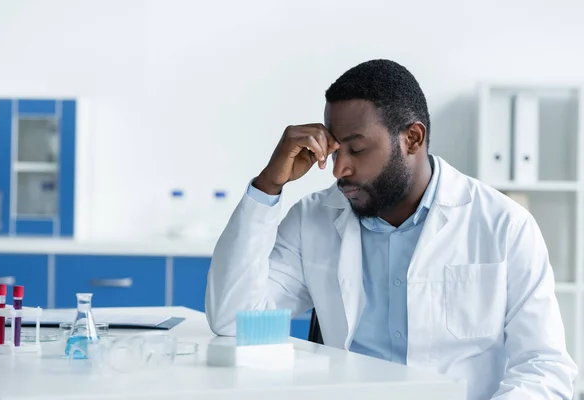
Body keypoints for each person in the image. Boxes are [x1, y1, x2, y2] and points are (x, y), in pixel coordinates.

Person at [205, 59, 577, 399]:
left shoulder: (502, 224)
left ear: (412, 139)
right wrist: (269, 185)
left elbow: (543, 365)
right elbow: (233, 321)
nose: (338, 170)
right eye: (334, 151)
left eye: (357, 150)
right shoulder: (312, 219)